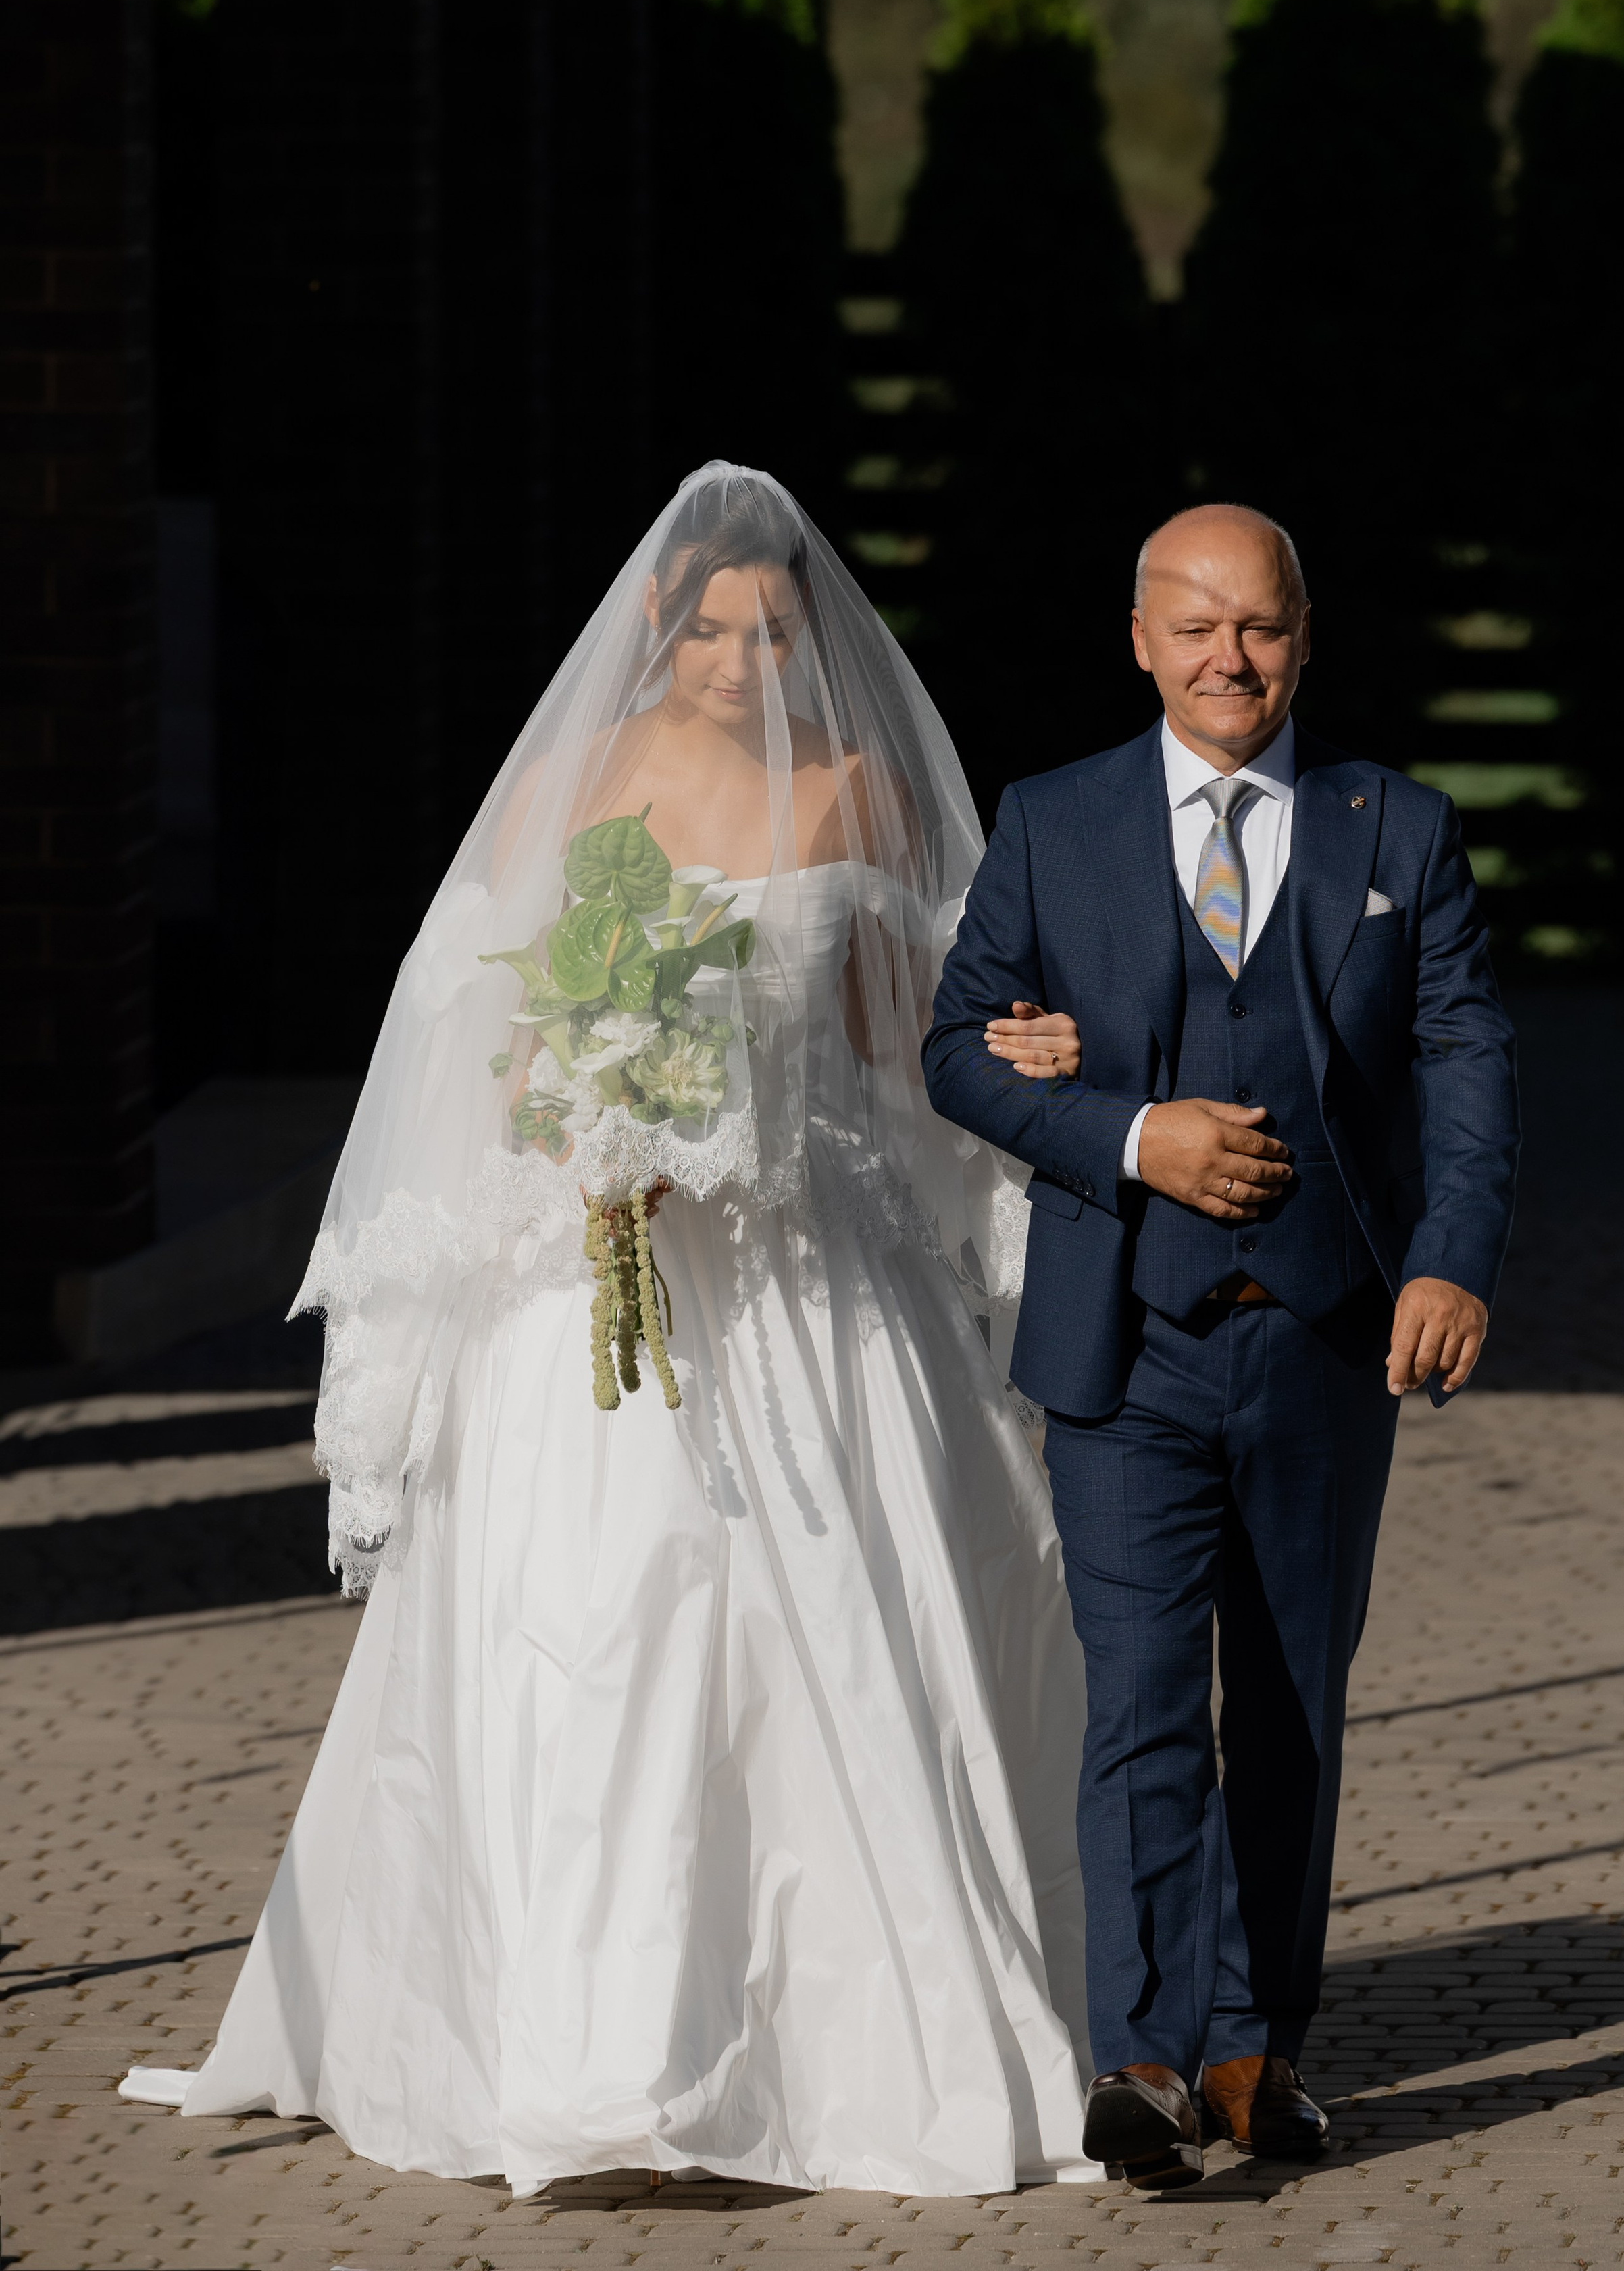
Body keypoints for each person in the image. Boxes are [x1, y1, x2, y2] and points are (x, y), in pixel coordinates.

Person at [119, 465, 1097, 2200]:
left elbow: (894, 1043)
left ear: (808, 632)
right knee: (593, 1637)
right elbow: (481, 1034)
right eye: (710, 626)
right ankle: (581, 2062)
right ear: (660, 624)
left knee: (824, 1645)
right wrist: (584, 1123)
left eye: (770, 629)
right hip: (597, 1279)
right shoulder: (575, 787)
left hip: (805, 1280)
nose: (739, 660)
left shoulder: (858, 790)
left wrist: (1007, 1064)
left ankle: (827, 2047)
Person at [922, 503, 1519, 2191]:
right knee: (1137, 1709)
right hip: (1125, 1345)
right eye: (1191, 627)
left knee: (1288, 1713)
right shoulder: (1051, 823)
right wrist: (1125, 1137)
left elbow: (1465, 1060)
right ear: (1137, 639)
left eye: (1254, 627)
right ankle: (1139, 2060)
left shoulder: (1393, 824)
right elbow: (956, 1049)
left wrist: (1449, 1263)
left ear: (1302, 635)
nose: (1225, 658)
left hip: (1327, 1343)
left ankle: (1253, 2055)